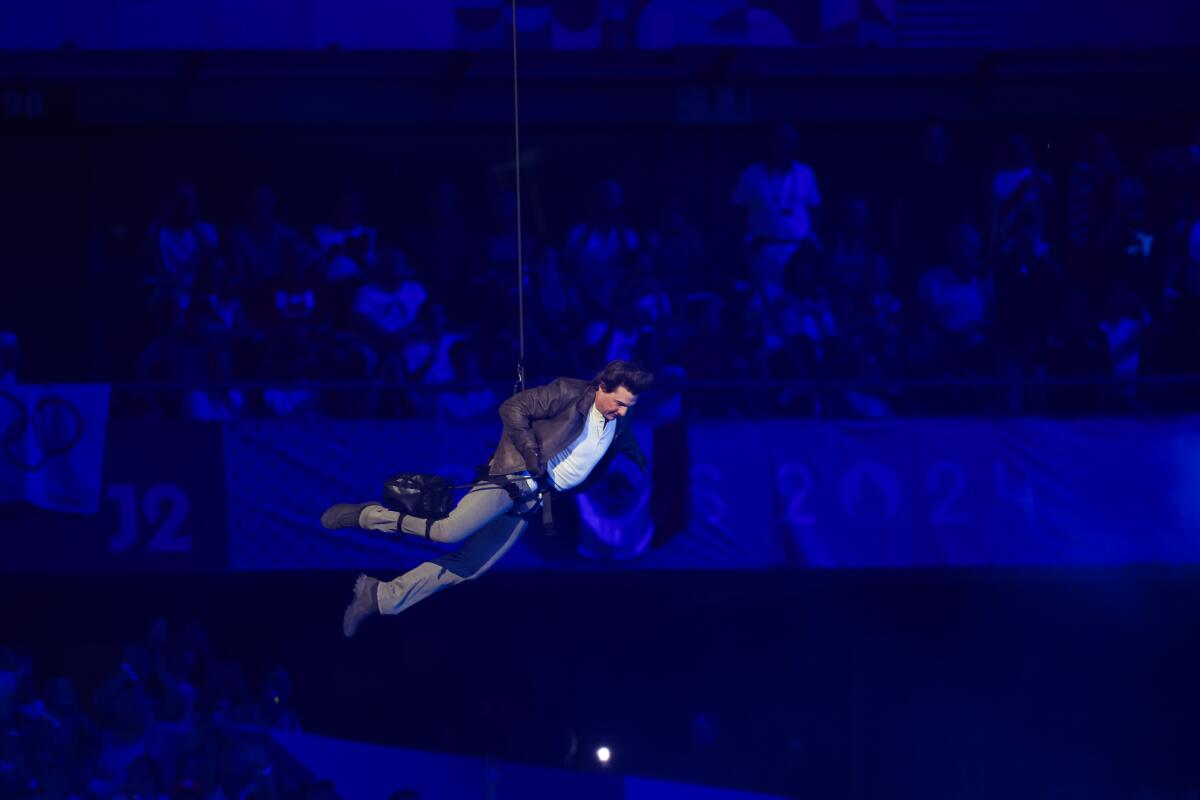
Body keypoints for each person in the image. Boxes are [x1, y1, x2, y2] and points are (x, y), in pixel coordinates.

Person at [323, 359, 654, 637]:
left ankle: (379, 596)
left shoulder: (618, 421)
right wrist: (531, 453)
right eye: (619, 403)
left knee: (469, 567)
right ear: (601, 387)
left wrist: (638, 457)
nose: (623, 412)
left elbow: (623, 438)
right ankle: (367, 516)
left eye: (630, 406)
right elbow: (512, 408)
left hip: (533, 498)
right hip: (511, 478)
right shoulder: (570, 392)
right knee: (447, 532)